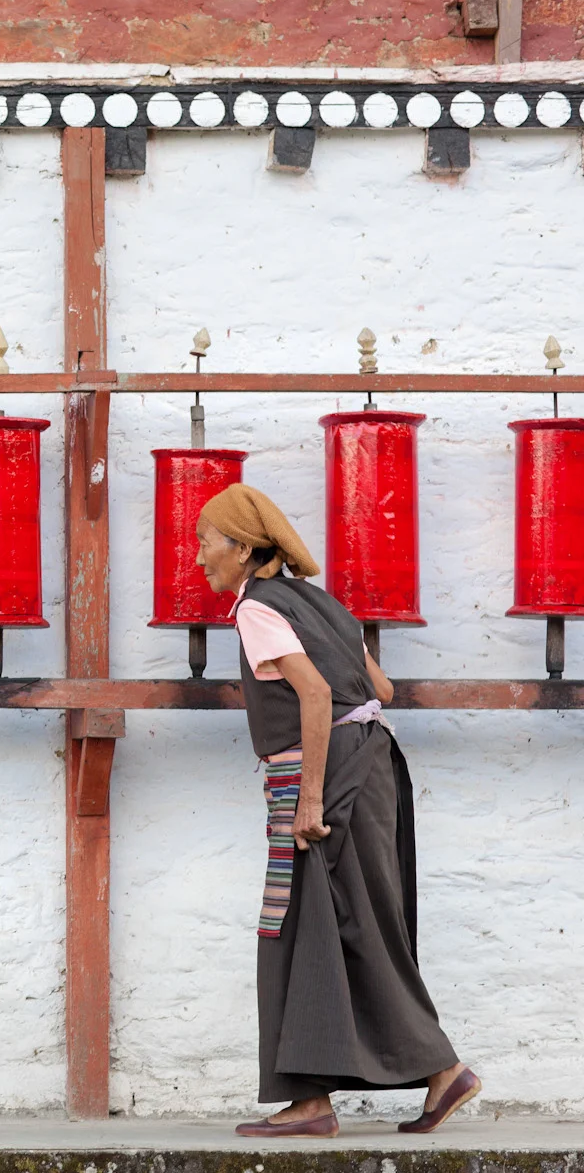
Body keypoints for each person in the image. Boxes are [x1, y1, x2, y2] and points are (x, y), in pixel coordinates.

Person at [194, 484, 480, 1137]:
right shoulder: (319, 602)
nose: (199, 556)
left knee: (302, 927)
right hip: (373, 761)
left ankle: (389, 1083)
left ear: (241, 547)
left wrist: (312, 799)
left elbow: (316, 695)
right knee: (344, 926)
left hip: (321, 776)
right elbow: (378, 688)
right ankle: (349, 1094)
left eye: (207, 540)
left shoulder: (257, 609)